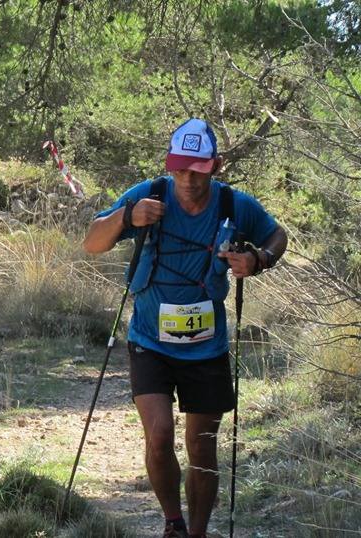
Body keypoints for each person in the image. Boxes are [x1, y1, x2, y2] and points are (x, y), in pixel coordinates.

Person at [82, 118, 287, 538]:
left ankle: (197, 532)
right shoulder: (149, 195)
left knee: (202, 447)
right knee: (159, 435)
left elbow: (276, 236)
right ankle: (172, 523)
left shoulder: (234, 204)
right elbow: (92, 242)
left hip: (207, 346)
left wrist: (259, 261)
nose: (188, 179)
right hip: (149, 340)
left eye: (197, 169)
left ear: (216, 165)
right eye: (180, 169)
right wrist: (126, 217)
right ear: (169, 165)